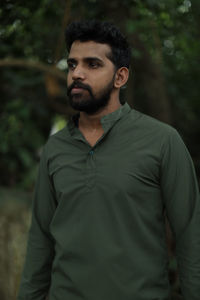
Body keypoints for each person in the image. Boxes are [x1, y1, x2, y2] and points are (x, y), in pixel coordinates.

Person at [18, 20, 200, 300]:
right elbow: (40, 240)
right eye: (72, 64)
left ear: (120, 77)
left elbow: (191, 235)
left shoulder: (163, 141)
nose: (77, 73)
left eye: (92, 64)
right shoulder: (55, 148)